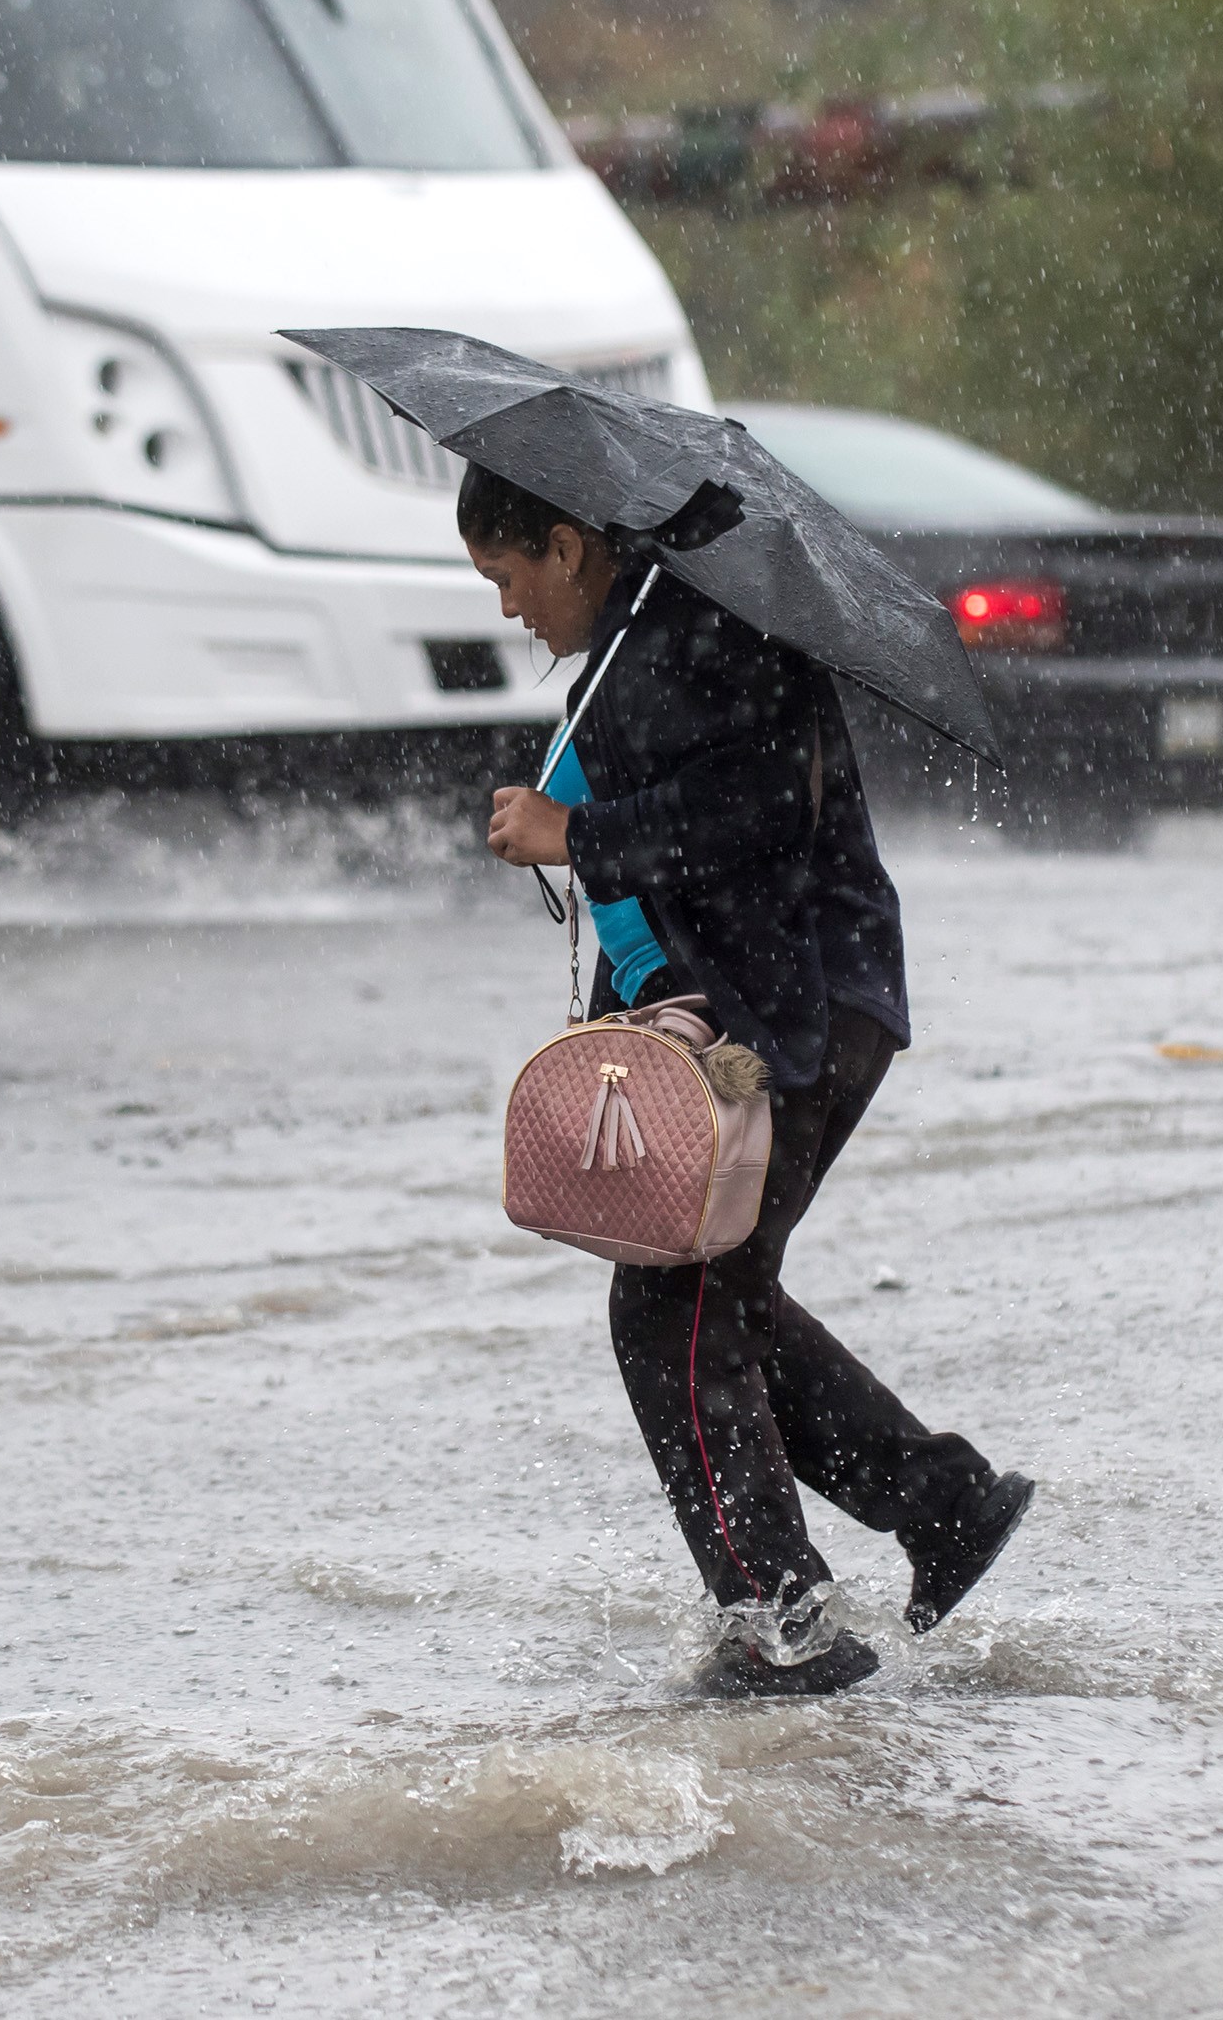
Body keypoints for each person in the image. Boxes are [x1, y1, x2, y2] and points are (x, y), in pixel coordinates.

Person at [462, 462, 1031, 1697]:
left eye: (507, 578)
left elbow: (761, 807)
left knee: (673, 1313)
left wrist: (582, 834)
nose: (509, 609)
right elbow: (687, 822)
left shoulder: (697, 629)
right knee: (722, 1300)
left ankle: (783, 1620)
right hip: (778, 1005)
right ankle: (941, 1500)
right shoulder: (635, 643)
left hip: (798, 1011)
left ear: (567, 545)